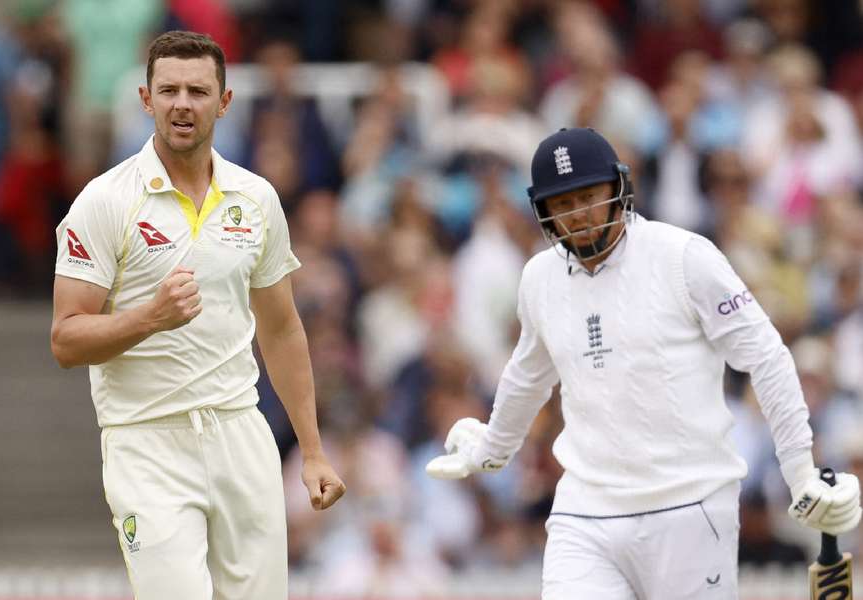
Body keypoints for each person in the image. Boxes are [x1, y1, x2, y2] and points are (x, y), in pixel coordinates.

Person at [426, 127, 861, 599]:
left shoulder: (682, 256)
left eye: (589, 196)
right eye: (562, 204)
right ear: (542, 210)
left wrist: (800, 472)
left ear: (618, 188)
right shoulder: (538, 278)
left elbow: (767, 357)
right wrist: (492, 448)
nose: (579, 215)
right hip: (586, 511)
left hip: (690, 506)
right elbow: (528, 375)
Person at [50, 31, 345, 599]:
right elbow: (66, 339)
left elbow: (281, 327)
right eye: (169, 91)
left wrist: (311, 452)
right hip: (146, 442)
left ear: (225, 102)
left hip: (241, 432)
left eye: (198, 91)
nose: (182, 104)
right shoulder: (104, 200)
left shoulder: (255, 197)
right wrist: (149, 318)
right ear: (146, 99)